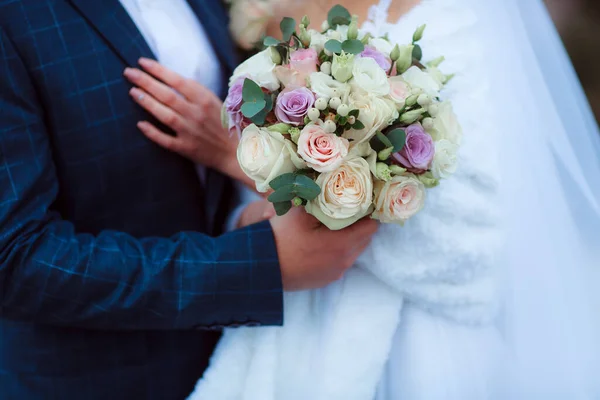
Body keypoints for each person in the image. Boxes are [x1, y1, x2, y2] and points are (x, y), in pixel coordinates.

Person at [128, 0, 600, 398]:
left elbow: (469, 248)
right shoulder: (273, 14)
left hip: (416, 348)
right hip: (291, 329)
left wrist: (233, 157)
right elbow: (263, 212)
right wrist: (253, 217)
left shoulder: (460, 21)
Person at [0, 0, 379, 398]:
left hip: (238, 364)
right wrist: (256, 265)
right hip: (94, 378)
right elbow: (13, 257)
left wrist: (242, 218)